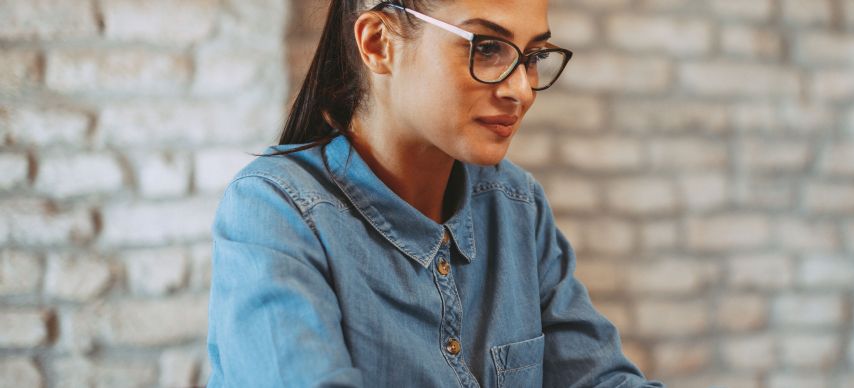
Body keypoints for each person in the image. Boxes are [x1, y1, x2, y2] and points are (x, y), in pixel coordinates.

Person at [206, 0, 662, 386]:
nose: (521, 90)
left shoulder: (515, 204)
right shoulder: (276, 211)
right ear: (377, 44)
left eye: (533, 56)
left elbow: (597, 377)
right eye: (486, 48)